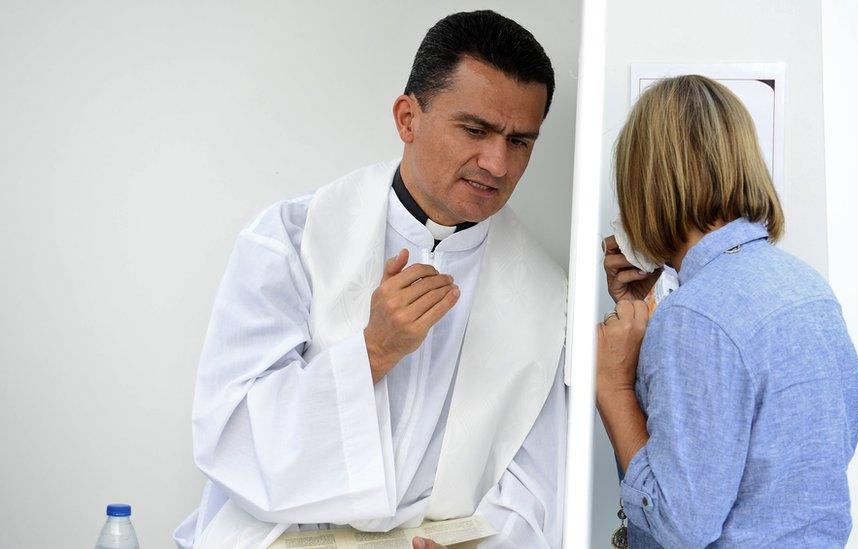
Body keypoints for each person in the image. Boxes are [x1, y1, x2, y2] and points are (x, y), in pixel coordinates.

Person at [173, 11, 568, 549]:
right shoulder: (293, 240)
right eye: (475, 130)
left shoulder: (546, 297)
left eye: (520, 141)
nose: (497, 163)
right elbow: (230, 438)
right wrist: (372, 352)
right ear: (408, 118)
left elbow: (536, 486)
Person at [596, 75, 858, 547]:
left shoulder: (696, 318)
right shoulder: (807, 287)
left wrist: (613, 385)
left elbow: (680, 527)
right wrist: (642, 308)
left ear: (647, 184)